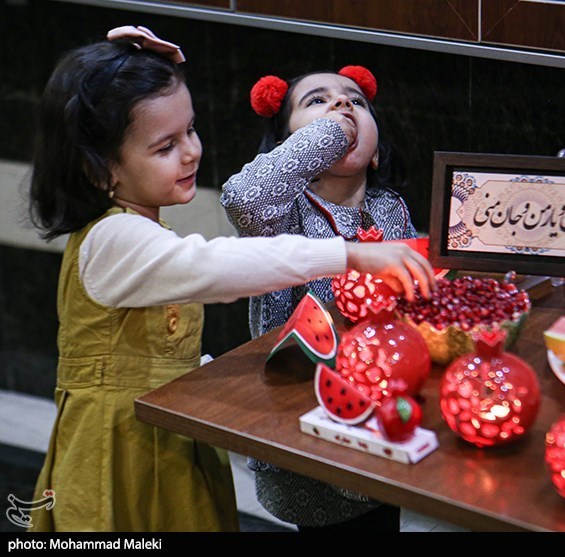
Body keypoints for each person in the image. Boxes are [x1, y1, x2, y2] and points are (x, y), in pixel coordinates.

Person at [26, 26, 433, 533]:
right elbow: (214, 265)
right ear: (99, 170)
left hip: (170, 432)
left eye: (190, 130)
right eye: (165, 146)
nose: (192, 152)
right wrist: (349, 253)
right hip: (123, 444)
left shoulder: (141, 225)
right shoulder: (113, 241)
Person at [220, 67, 419, 531]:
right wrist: (332, 133)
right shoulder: (281, 214)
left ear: (375, 155)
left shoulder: (391, 208)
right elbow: (244, 197)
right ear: (289, 149)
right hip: (305, 426)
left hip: (381, 414)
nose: (342, 106)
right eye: (317, 101)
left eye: (356, 102)